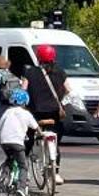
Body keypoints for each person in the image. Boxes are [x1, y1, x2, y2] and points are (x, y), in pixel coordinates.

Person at [25, 42, 69, 187]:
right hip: (54, 114)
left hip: (35, 113)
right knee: (55, 142)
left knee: (29, 139)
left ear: (38, 57)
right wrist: (60, 100)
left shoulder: (30, 72)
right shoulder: (60, 72)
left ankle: (24, 170)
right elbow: (69, 89)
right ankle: (55, 173)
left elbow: (23, 90)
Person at [0, 88, 36, 196]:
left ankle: (4, 177)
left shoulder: (7, 112)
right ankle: (21, 188)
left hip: (4, 141)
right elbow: (35, 126)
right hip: (17, 142)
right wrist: (40, 133)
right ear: (25, 102)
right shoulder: (26, 113)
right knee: (23, 165)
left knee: (10, 159)